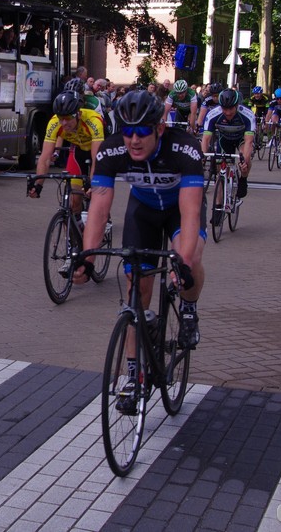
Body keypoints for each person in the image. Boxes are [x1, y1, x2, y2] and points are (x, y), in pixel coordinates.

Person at [75, 90, 206, 412]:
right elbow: (99, 207)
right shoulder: (112, 150)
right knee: (136, 293)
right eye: (127, 131)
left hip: (178, 209)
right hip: (143, 211)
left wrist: (182, 263)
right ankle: (134, 375)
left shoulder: (184, 148)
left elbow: (191, 213)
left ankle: (189, 309)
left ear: (159, 128)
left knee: (189, 258)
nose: (134, 140)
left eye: (142, 131)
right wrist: (87, 257)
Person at [27, 90, 105, 220]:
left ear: (79, 114)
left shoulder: (93, 121)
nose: (63, 123)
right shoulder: (54, 123)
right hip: (78, 151)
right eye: (60, 118)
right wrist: (38, 184)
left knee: (97, 193)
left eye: (68, 118)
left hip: (99, 151)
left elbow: (97, 158)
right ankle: (74, 229)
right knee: (73, 201)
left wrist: (93, 184)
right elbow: (45, 157)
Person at [201, 88, 254, 201]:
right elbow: (205, 139)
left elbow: (249, 141)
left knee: (246, 159)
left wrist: (244, 161)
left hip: (241, 139)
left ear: (237, 105)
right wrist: (202, 157)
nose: (228, 112)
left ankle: (243, 179)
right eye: (225, 109)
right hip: (224, 140)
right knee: (221, 172)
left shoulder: (247, 114)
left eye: (231, 108)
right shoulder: (213, 114)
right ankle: (218, 206)